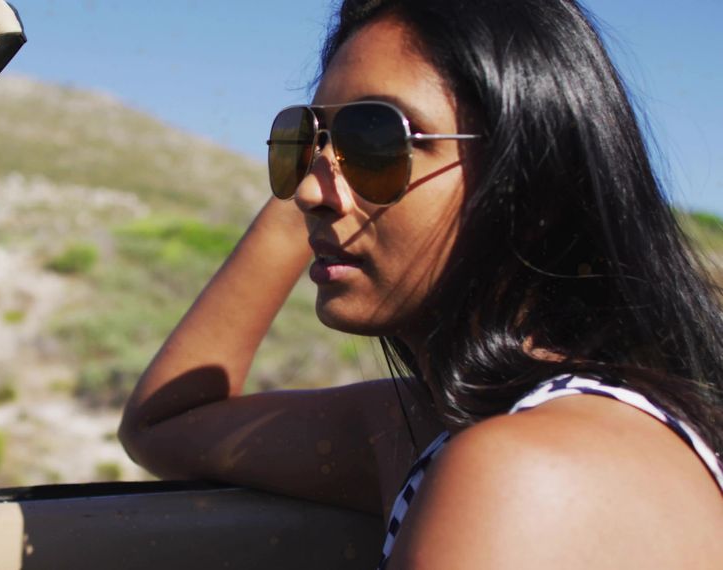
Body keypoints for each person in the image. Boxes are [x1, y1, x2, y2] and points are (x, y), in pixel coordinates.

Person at [118, 0, 723, 567]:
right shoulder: (432, 424)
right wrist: (320, 169)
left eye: (379, 141)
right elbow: (164, 426)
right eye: (307, 139)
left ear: (528, 180)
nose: (306, 192)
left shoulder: (525, 466)